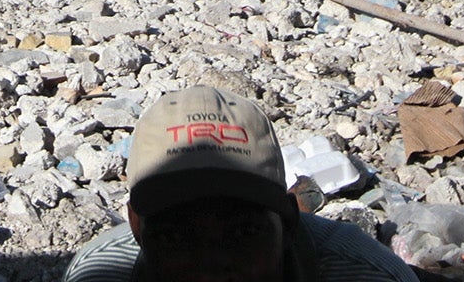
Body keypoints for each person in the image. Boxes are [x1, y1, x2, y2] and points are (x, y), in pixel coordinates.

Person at [64, 87, 419, 282]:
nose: (211, 269)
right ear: (137, 227)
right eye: (176, 238)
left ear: (290, 222)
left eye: (243, 235)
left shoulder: (362, 274)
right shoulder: (101, 273)